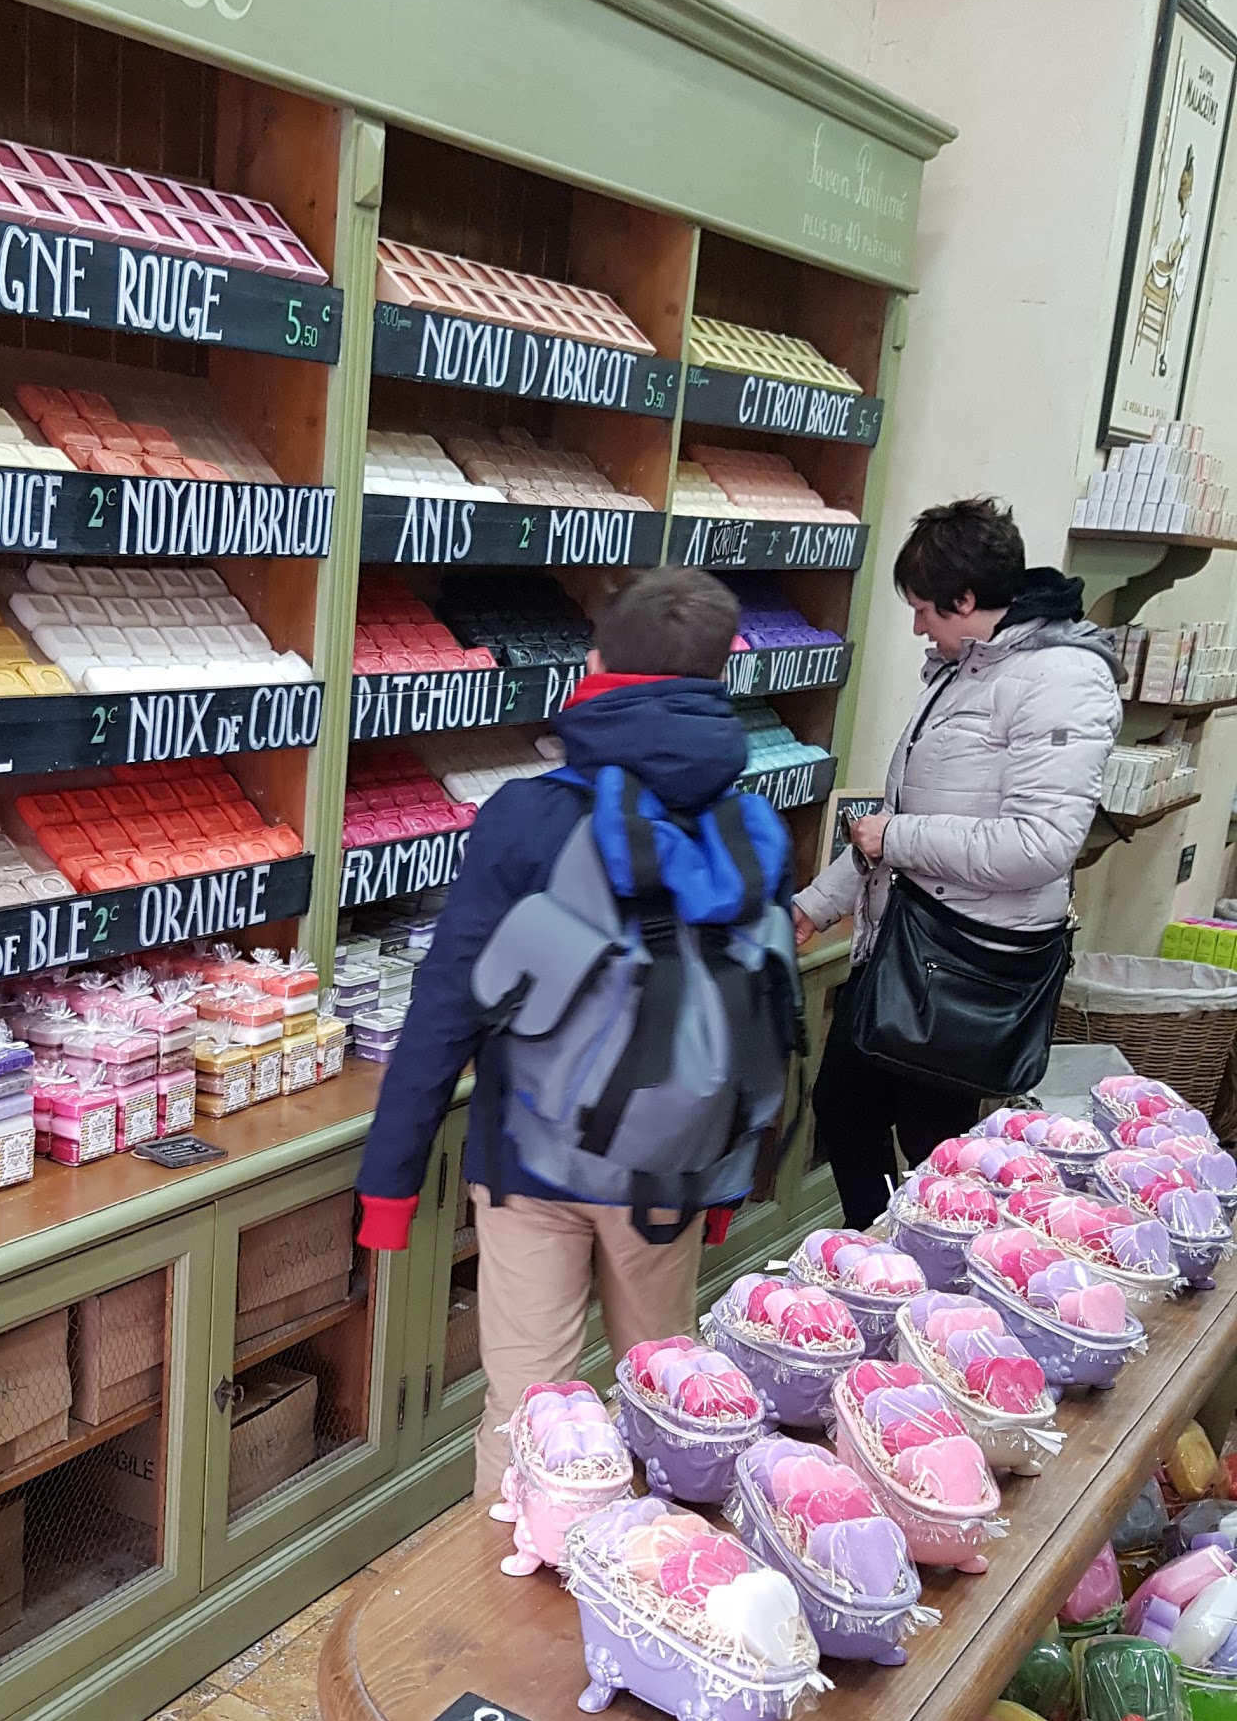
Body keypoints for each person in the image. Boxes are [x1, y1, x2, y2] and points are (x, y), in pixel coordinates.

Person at [354, 568, 788, 1501]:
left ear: (594, 667)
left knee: (528, 1414)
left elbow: (448, 1002)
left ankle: (508, 1579)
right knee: (664, 1397)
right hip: (671, 1168)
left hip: (530, 1159)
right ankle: (655, 1570)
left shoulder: (529, 815)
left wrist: (389, 1183)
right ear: (720, 676)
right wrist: (729, 1173)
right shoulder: (746, 828)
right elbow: (757, 1006)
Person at [795, 497, 1123, 1228]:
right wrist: (817, 904)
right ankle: (879, 1251)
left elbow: (1041, 844)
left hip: (967, 962)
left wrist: (898, 838)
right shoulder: (964, 668)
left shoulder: (1062, 677)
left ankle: (935, 1264)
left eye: (924, 609)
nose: (918, 627)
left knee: (935, 1144)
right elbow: (893, 819)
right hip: (905, 946)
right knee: (845, 1108)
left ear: (966, 599)